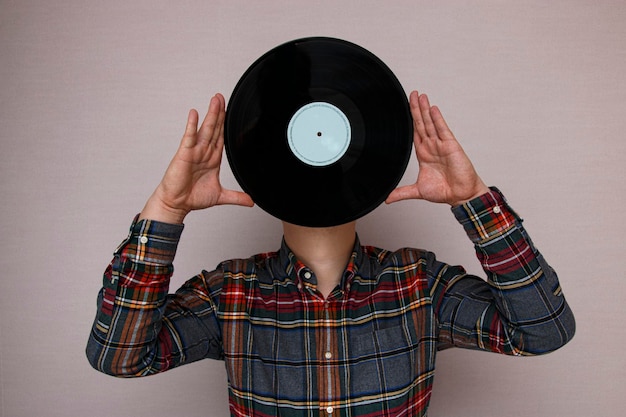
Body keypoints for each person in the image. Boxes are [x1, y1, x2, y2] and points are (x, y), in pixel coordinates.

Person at [86, 90, 575, 416]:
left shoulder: (420, 284)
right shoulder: (228, 293)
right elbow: (119, 357)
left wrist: (473, 200)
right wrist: (168, 208)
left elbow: (543, 331)